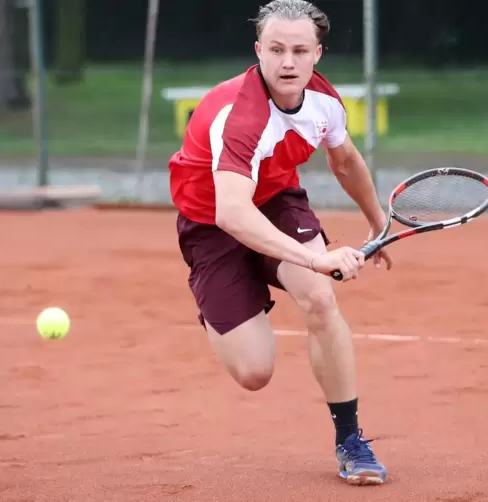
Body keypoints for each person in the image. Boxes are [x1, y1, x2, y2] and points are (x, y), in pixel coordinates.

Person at [168, 0, 392, 486]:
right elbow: (231, 212)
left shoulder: (323, 101)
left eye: (298, 50)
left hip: (275, 199)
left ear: (317, 55)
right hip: (211, 222)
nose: (287, 62)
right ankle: (230, 287)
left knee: (319, 297)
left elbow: (346, 160)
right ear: (258, 51)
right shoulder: (240, 116)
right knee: (254, 372)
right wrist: (316, 257)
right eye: (275, 50)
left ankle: (351, 441)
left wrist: (378, 223)